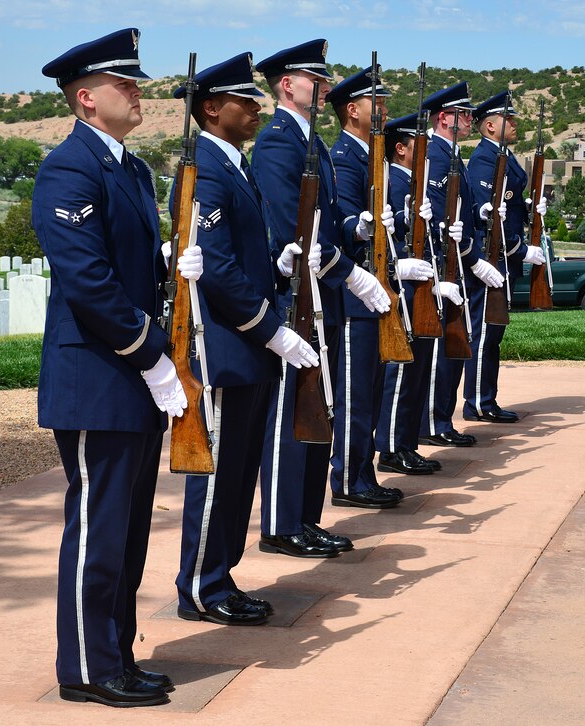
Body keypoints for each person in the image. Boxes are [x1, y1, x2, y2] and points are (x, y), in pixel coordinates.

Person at [33, 28, 203, 707]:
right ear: (85, 99)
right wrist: (153, 354)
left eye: (134, 82)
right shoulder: (69, 168)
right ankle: (84, 668)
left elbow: (130, 270)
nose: (136, 92)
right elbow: (88, 280)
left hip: (130, 377)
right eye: (122, 84)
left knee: (128, 531)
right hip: (96, 378)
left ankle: (117, 655)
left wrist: (172, 268)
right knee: (98, 529)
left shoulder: (130, 169)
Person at [171, 53, 318, 626]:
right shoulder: (206, 166)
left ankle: (220, 576)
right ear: (211, 109)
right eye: (243, 101)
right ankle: (203, 586)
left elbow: (244, 259)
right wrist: (272, 329)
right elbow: (218, 269)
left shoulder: (235, 165)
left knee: (239, 473)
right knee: (219, 475)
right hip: (227, 348)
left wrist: (278, 267)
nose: (255, 108)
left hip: (247, 347)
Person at [252, 40, 388, 555]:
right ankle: (283, 524)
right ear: (288, 85)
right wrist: (350, 274)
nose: (325, 86)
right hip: (297, 295)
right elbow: (298, 228)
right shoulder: (278, 142)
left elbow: (325, 222)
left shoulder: (307, 140)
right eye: (315, 78)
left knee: (319, 406)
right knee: (294, 411)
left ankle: (307, 518)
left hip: (320, 293)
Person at [327, 66, 421, 501]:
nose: (384, 109)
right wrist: (361, 227)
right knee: (355, 395)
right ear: (352, 111)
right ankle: (349, 480)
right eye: (375, 103)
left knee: (371, 389)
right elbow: (344, 220)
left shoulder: (371, 156)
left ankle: (363, 475)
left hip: (377, 289)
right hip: (353, 293)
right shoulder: (345, 157)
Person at [375, 112, 453, 474]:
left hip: (422, 285)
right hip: (404, 287)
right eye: (418, 146)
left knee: (417, 371)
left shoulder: (415, 186)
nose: (426, 153)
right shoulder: (394, 184)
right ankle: (392, 446)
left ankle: (406, 442)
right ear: (402, 148)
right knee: (403, 371)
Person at [464, 91, 547, 423]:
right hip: (492, 256)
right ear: (488, 126)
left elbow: (508, 204)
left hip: (503, 256)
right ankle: (479, 402)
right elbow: (490, 218)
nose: (513, 123)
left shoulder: (502, 155)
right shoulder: (485, 159)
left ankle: (487, 399)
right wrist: (522, 248)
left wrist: (527, 209)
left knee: (493, 334)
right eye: (507, 119)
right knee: (485, 333)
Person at [418, 81, 483, 448]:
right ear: (444, 118)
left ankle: (441, 417)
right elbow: (439, 215)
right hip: (446, 264)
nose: (470, 119)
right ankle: (431, 421)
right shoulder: (434, 156)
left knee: (456, 343)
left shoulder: (451, 154)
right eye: (464, 114)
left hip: (458, 261)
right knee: (442, 348)